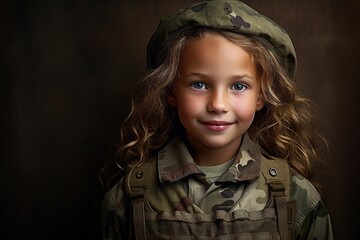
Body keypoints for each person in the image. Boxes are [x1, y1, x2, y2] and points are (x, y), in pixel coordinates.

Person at [100, 0, 334, 239]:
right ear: (171, 91)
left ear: (261, 96)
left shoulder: (295, 195)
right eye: (199, 84)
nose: (218, 105)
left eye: (239, 86)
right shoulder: (130, 196)